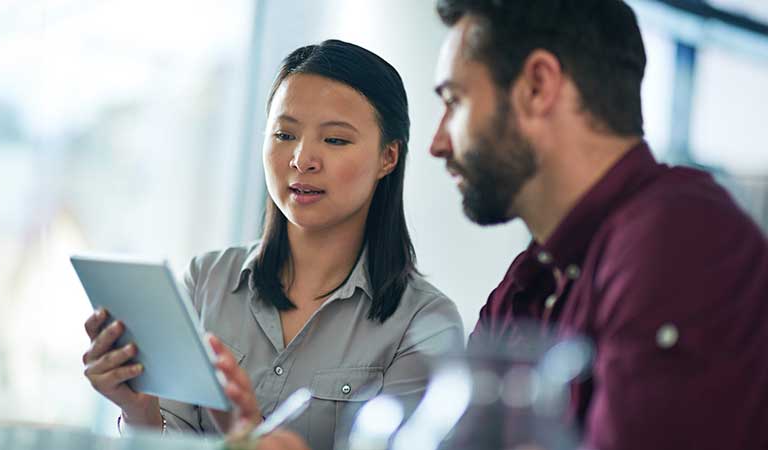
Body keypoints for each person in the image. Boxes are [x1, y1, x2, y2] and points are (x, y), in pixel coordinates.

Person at [80, 39, 464, 450]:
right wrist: (139, 409)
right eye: (284, 133)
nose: (302, 159)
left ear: (388, 157)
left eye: (335, 140)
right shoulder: (207, 280)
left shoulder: (424, 325)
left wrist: (251, 435)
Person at [429, 1, 768, 449]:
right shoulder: (524, 284)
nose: (438, 143)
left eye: (455, 101)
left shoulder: (681, 240)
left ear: (537, 86)